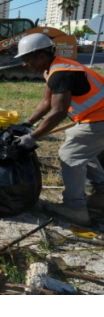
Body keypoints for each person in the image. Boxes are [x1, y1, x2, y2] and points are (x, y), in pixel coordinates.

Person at [15, 33, 104, 226]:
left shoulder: (61, 72)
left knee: (70, 156)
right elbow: (47, 101)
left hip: (99, 119)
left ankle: (75, 209)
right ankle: (103, 195)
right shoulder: (53, 69)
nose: (23, 64)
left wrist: (32, 137)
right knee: (83, 153)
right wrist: (27, 123)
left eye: (25, 59)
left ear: (40, 56)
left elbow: (58, 112)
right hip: (94, 117)